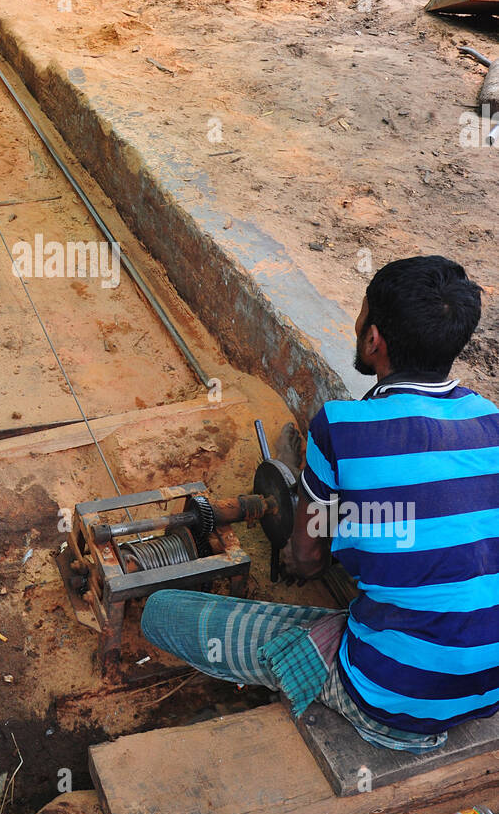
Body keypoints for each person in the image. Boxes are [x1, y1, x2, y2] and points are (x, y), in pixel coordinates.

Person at [141, 256, 499, 752]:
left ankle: (353, 693)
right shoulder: (491, 421)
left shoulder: (342, 427)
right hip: (489, 691)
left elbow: (307, 562)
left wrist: (306, 540)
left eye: (360, 314)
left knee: (162, 612)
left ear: (374, 340)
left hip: (392, 700)